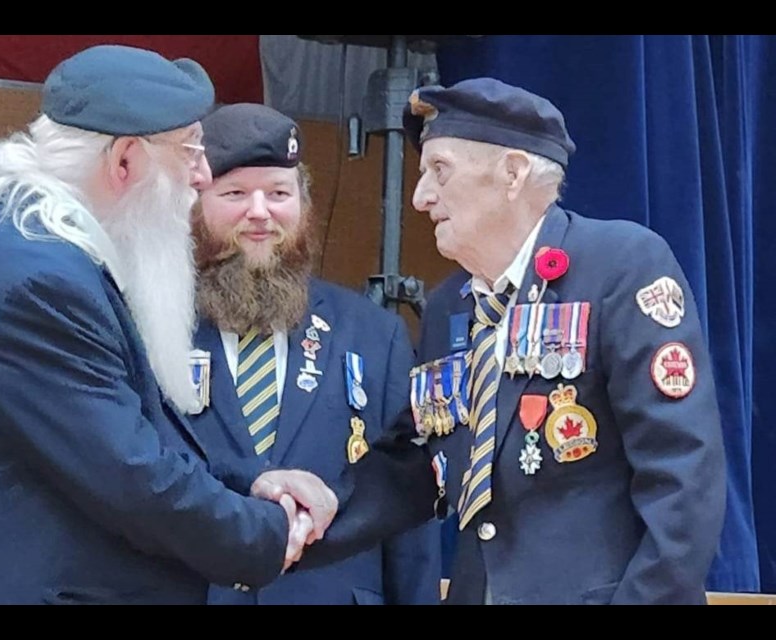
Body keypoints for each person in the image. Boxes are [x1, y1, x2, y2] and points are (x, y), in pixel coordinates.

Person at [0, 45, 333, 605]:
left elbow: (121, 432)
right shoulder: (36, 281)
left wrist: (247, 482)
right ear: (125, 160)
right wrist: (268, 534)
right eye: (190, 152)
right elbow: (129, 475)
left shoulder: (33, 253)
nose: (201, 176)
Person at [274, 77, 727, 605]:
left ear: (512, 173)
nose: (420, 198)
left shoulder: (620, 266)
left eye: (438, 170)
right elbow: (417, 465)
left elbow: (683, 479)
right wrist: (308, 516)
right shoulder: (451, 307)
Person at [186, 103, 441, 605]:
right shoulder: (148, 326)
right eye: (235, 193)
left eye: (279, 193)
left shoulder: (373, 333)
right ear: (193, 202)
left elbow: (409, 513)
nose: (259, 211)